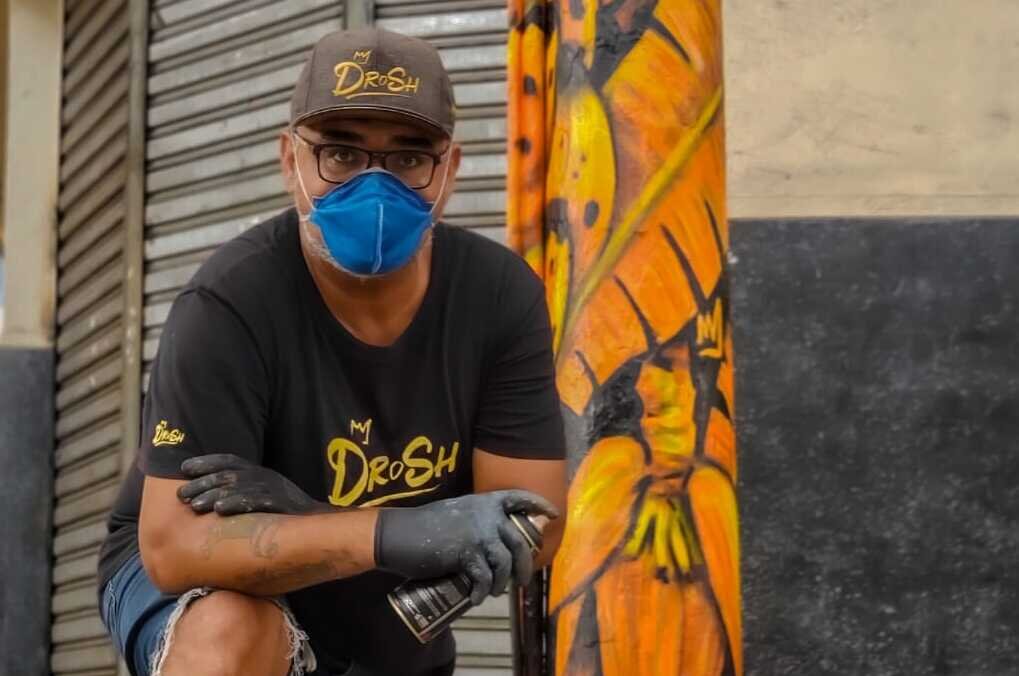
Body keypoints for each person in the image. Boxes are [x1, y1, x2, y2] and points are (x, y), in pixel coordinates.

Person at [97, 27, 567, 676]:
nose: (375, 190)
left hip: (378, 602)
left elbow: (530, 522)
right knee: (229, 630)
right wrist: (395, 533)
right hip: (207, 585)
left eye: (409, 158)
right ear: (288, 158)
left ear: (450, 169)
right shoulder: (229, 303)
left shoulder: (498, 296)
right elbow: (175, 548)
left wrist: (321, 517)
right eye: (340, 154)